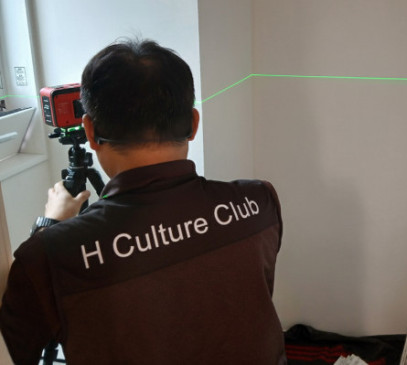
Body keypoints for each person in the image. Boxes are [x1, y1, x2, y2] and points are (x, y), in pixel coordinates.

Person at [0, 39, 286, 364]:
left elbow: (11, 351)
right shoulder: (259, 202)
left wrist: (50, 227)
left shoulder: (50, 255)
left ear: (90, 131)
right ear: (193, 123)